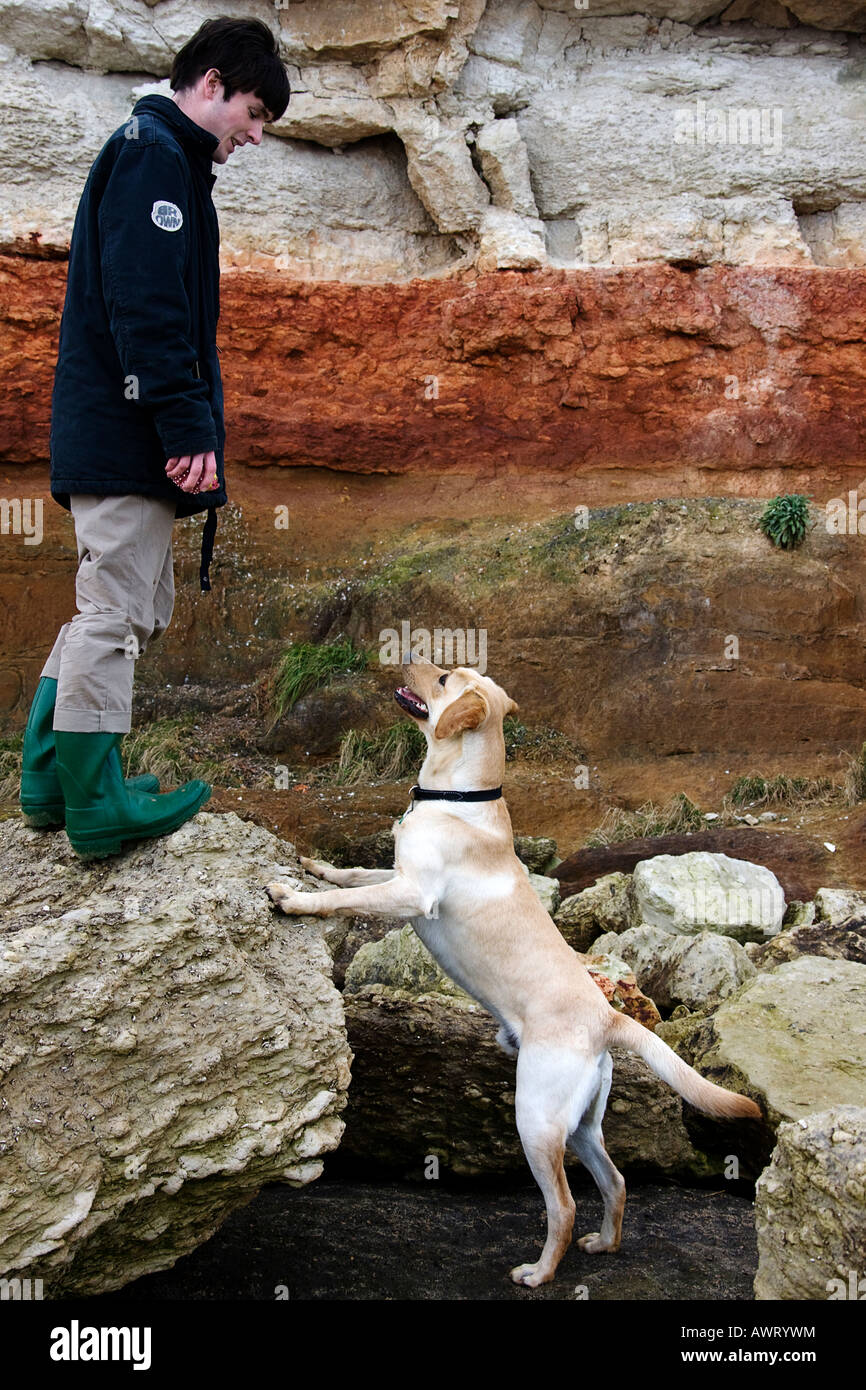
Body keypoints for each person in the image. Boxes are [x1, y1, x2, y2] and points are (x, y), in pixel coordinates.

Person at [19, 17, 291, 858]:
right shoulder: (153, 157)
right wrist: (183, 426)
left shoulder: (161, 156)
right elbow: (148, 308)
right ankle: (96, 802)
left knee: (104, 608)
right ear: (211, 82)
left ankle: (48, 781)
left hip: (115, 431)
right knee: (113, 615)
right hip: (126, 434)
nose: (252, 134)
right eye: (251, 112)